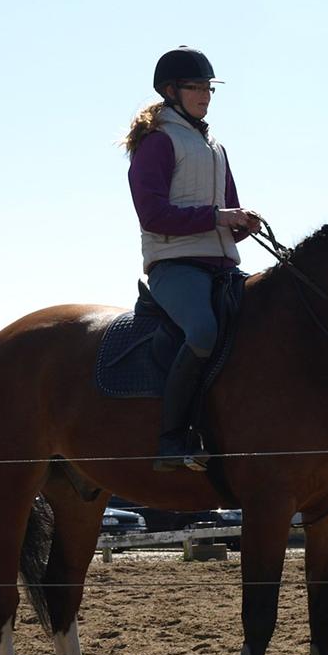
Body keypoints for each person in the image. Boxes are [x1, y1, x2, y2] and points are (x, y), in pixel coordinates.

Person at [123, 46, 260, 471]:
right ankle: (171, 441)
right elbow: (153, 215)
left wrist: (242, 223)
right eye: (196, 87)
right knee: (202, 331)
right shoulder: (156, 142)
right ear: (171, 91)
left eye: (208, 89)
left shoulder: (215, 147)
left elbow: (225, 212)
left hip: (223, 266)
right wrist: (219, 217)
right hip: (175, 265)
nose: (205, 95)